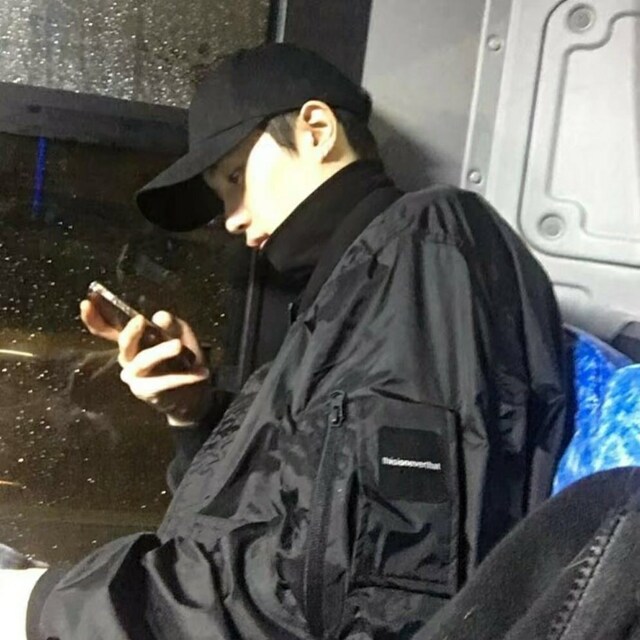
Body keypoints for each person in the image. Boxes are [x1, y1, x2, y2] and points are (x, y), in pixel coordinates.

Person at [1, 43, 570, 639]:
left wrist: (45, 606)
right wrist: (193, 412)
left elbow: (368, 596)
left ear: (316, 130)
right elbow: (284, 514)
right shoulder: (345, 295)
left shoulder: (426, 249)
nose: (231, 218)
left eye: (235, 178)